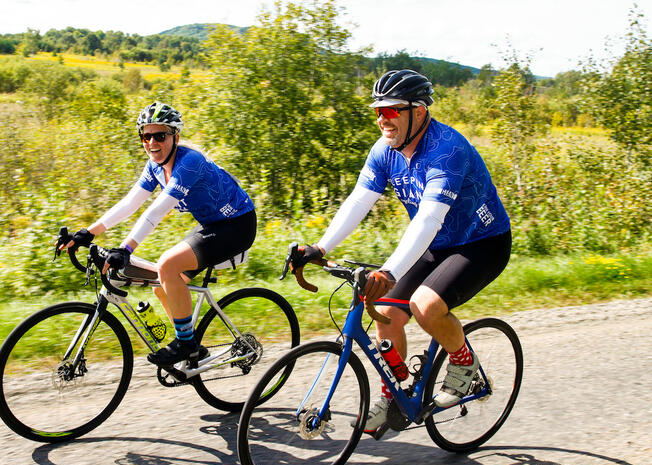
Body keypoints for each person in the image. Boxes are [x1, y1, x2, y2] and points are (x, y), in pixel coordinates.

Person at [291, 69, 511, 436]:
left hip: (480, 243)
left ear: (419, 112)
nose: (382, 120)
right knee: (384, 311)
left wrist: (390, 271)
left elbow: (428, 219)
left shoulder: (448, 150)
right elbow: (359, 200)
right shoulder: (384, 151)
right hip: (434, 245)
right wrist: (320, 247)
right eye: (378, 111)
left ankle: (463, 363)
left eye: (392, 111)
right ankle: (393, 396)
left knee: (425, 306)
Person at [61, 102, 256, 365]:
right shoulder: (155, 166)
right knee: (161, 285)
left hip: (238, 225)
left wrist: (125, 248)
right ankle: (194, 347)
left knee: (167, 265)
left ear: (175, 136)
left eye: (160, 136)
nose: (152, 142)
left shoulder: (189, 163)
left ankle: (185, 344)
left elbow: (155, 212)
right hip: (212, 224)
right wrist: (87, 232)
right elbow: (130, 204)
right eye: (146, 136)